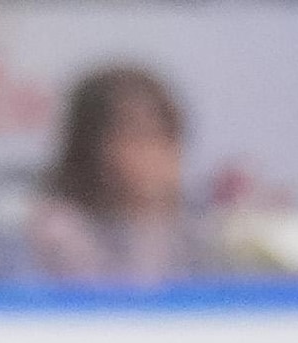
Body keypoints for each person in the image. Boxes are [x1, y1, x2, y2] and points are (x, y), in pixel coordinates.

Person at [13, 61, 203, 286]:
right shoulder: (55, 235)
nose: (155, 156)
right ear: (90, 148)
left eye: (166, 138)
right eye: (137, 138)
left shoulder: (196, 231)